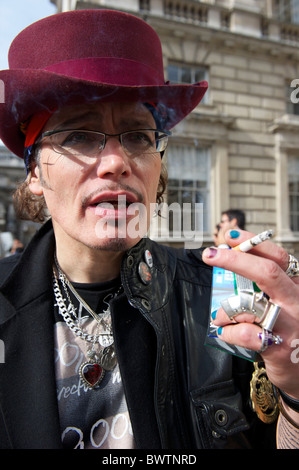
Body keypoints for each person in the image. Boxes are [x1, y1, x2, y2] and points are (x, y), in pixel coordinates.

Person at [0, 9, 298, 450]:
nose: (118, 161)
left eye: (139, 136)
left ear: (157, 168)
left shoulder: (220, 298)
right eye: (79, 136)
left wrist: (293, 391)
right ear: (35, 175)